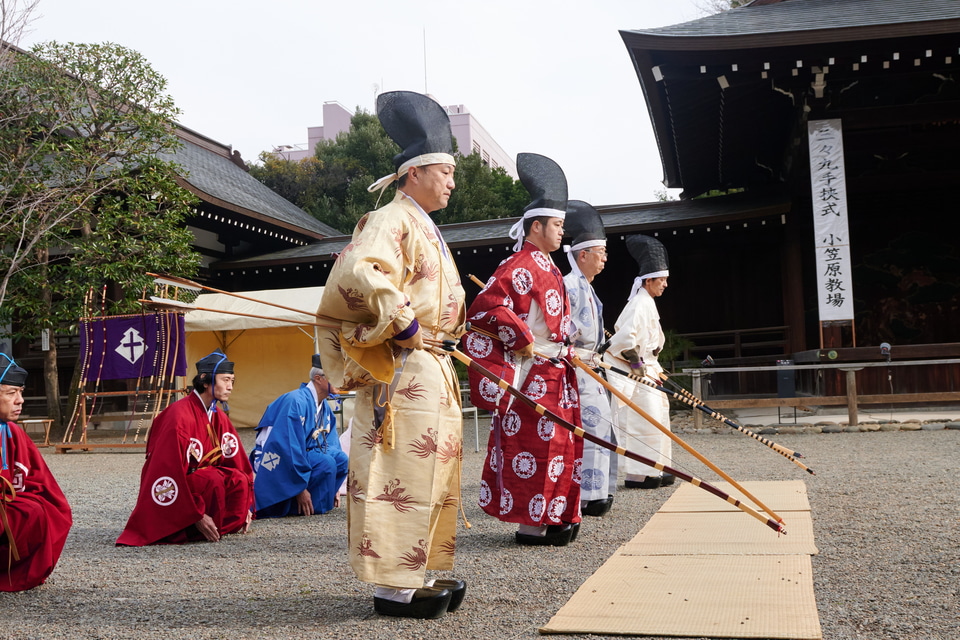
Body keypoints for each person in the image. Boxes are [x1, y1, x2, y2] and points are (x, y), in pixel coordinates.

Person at [317, 91, 467, 620]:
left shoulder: (425, 226)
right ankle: (393, 586)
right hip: (403, 364)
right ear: (415, 172)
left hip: (433, 362)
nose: (451, 181)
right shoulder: (390, 218)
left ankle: (416, 570)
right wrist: (402, 322)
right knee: (398, 469)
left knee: (433, 468)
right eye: (445, 171)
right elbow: (361, 271)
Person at [464, 152, 582, 546]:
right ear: (536, 226)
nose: (562, 231)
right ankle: (531, 524)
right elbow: (485, 308)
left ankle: (553, 515)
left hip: (556, 368)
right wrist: (522, 338)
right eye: (558, 224)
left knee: (560, 443)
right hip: (531, 372)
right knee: (534, 444)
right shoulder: (520, 265)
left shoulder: (548, 267)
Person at [116, 349, 254, 546]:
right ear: (206, 381)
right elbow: (166, 469)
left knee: (238, 479)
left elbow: (237, 459)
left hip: (202, 480)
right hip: (184, 484)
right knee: (212, 478)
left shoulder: (218, 415)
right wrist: (196, 514)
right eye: (225, 380)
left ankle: (220, 525)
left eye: (232, 380)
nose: (230, 386)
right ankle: (190, 525)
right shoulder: (178, 416)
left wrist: (247, 503)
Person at [604, 234, 674, 489]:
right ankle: (637, 473)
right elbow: (624, 339)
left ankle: (656, 467)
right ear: (648, 280)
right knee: (642, 419)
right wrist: (636, 363)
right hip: (639, 370)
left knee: (657, 417)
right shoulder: (639, 303)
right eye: (662, 280)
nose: (665, 284)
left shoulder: (648, 302)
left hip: (649, 367)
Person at [562, 200, 617, 517]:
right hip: (577, 368)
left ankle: (598, 493)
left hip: (591, 368)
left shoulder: (589, 288)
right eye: (601, 253)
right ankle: (585, 494)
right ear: (583, 255)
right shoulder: (569, 285)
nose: (605, 259)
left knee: (601, 430)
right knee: (587, 431)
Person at [0, 354, 72, 592]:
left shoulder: (12, 431)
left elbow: (38, 481)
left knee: (44, 510)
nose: (20, 400)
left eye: (20, 392)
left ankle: (15, 572)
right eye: (11, 393)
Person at [249, 354, 348, 518]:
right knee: (326, 462)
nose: (343, 380)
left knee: (340, 459)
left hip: (303, 455)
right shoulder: (295, 401)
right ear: (318, 378)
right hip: (274, 457)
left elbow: (330, 444)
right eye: (336, 376)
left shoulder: (325, 407)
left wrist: (333, 485)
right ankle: (292, 505)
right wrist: (300, 488)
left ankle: (316, 503)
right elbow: (285, 447)